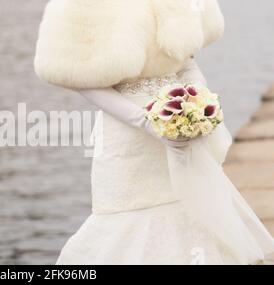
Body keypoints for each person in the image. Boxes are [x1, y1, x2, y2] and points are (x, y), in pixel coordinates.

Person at [33, 0, 274, 264]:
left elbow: (184, 63)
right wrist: (146, 122)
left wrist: (196, 100)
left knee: (191, 208)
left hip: (181, 124)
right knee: (129, 214)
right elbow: (83, 81)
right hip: (127, 138)